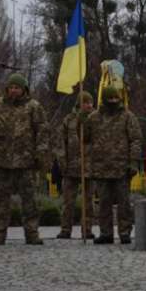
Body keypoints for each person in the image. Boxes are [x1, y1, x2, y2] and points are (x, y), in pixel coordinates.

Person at [0, 73, 48, 246]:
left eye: (17, 88)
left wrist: (40, 153)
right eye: (11, 87)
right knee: (1, 201)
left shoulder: (34, 107)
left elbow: (42, 131)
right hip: (2, 161)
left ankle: (32, 233)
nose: (13, 91)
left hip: (26, 161)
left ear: (24, 89)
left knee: (29, 201)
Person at [84, 86, 141, 244]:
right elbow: (85, 138)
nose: (113, 102)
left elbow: (135, 140)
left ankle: (124, 232)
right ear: (104, 100)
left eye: (116, 99)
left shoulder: (127, 116)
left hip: (121, 167)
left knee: (124, 203)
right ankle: (106, 233)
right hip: (101, 167)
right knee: (103, 203)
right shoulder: (94, 118)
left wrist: (133, 162)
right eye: (110, 99)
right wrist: (82, 121)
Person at [55, 91, 95, 240]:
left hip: (89, 167)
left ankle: (88, 229)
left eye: (90, 102)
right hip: (71, 167)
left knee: (88, 202)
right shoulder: (69, 120)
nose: (88, 105)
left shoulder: (95, 119)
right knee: (68, 202)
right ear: (79, 103)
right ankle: (66, 229)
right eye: (85, 102)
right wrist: (62, 162)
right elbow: (61, 142)